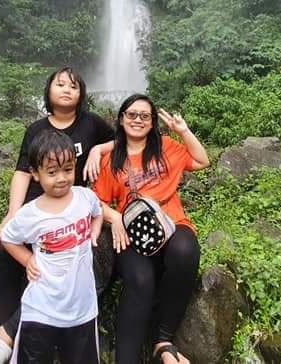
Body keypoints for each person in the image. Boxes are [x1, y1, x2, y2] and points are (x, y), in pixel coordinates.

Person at [0, 67, 114, 362]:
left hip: (71, 206)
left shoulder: (91, 123)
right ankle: (2, 337)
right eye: (60, 84)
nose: (67, 89)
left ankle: (10, 332)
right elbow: (22, 172)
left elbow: (120, 138)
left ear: (81, 94)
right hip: (38, 205)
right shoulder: (36, 129)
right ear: (49, 90)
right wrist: (11, 214)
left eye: (74, 86)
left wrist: (98, 150)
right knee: (4, 250)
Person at [93, 94, 209, 364]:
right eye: (132, 114)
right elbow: (96, 201)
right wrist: (115, 217)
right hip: (132, 232)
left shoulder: (166, 146)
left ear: (153, 122)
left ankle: (163, 340)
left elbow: (202, 161)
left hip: (172, 223)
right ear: (121, 119)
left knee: (185, 250)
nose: (138, 120)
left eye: (145, 116)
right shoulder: (110, 160)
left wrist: (183, 131)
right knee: (140, 280)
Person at [0, 130, 104, 364]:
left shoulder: (85, 197)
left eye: (68, 169)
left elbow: (98, 213)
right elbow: (8, 238)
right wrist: (27, 259)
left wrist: (94, 231)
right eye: (52, 172)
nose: (61, 178)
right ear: (35, 174)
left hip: (83, 312)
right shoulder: (30, 214)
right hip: (41, 312)